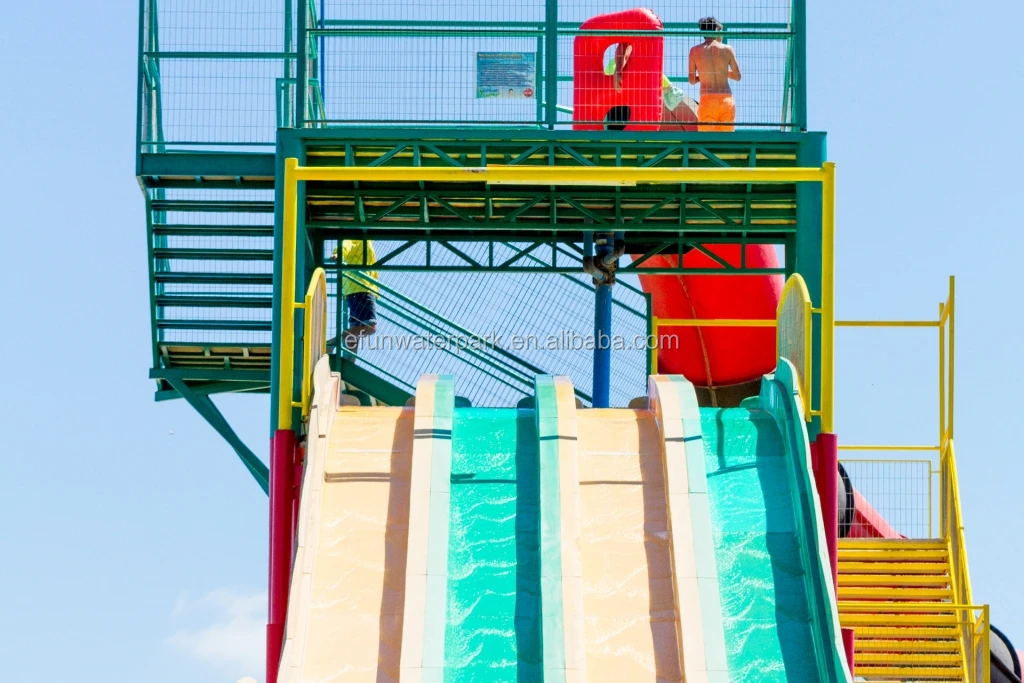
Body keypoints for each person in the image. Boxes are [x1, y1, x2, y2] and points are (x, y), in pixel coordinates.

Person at [688, 16, 741, 131]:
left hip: (707, 100)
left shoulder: (694, 51)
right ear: (716, 30)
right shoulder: (728, 49)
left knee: (706, 139)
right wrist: (722, 71)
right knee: (726, 139)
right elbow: (738, 76)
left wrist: (705, 74)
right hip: (726, 99)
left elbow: (691, 80)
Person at [331, 239, 379, 353]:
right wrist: (337, 254)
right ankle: (332, 342)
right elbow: (345, 246)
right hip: (361, 289)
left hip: (358, 289)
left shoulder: (366, 241)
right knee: (371, 328)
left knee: (354, 332)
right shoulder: (357, 239)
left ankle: (349, 360)